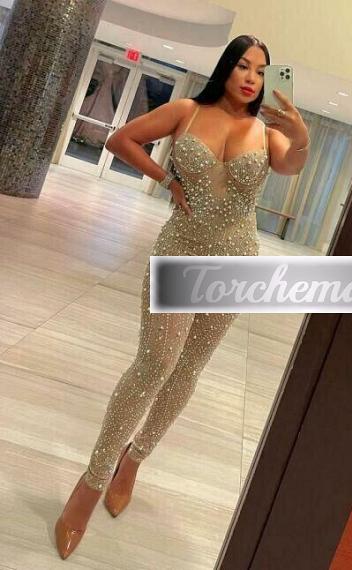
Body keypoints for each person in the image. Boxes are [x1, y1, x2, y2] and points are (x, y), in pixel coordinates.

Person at [54, 34, 309, 560]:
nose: (252, 78)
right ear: (226, 68)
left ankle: (134, 460)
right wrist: (165, 177)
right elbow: (120, 140)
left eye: (262, 71)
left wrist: (301, 136)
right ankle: (92, 481)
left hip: (235, 263)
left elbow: (290, 166)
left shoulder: (266, 133)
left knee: (188, 368)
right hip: (179, 251)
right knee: (155, 364)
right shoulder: (187, 111)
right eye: (243, 66)